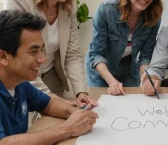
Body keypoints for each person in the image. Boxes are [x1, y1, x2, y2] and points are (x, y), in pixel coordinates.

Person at [6, 0, 96, 108]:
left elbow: (72, 54)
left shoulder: (69, 9)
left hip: (49, 72)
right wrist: (49, 97)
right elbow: (20, 57)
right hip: (21, 74)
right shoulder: (20, 2)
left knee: (58, 118)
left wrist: (81, 92)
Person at [0, 10, 98, 144]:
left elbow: (48, 103)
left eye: (42, 50)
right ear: (3, 57)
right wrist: (68, 129)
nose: (43, 59)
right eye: (33, 52)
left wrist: (75, 113)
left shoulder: (20, 84)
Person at [85, 0, 163, 95]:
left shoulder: (154, 17)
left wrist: (146, 78)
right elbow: (96, 54)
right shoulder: (106, 10)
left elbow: (145, 56)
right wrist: (112, 82)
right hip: (101, 72)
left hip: (128, 71)